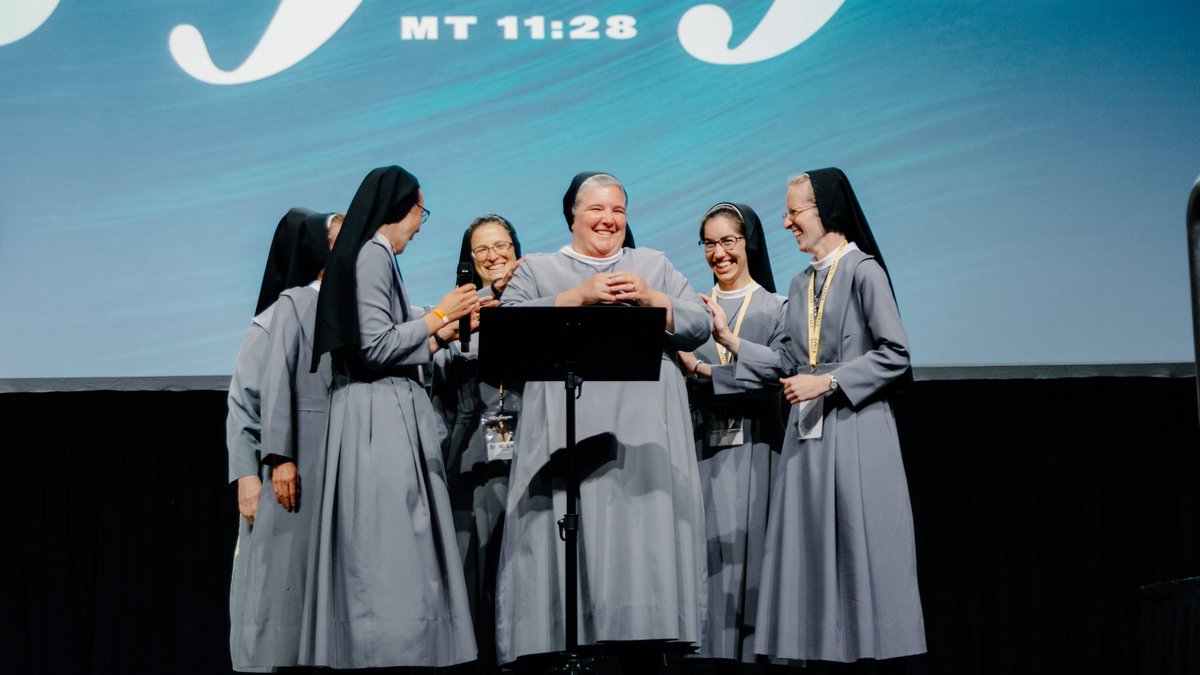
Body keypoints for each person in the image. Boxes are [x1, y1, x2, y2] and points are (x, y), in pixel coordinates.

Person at [493, 172, 710, 668]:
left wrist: (653, 299)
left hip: (642, 436)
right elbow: (506, 329)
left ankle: (645, 633)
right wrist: (580, 296)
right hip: (567, 433)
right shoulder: (539, 269)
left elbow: (698, 325)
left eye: (618, 210)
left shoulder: (652, 264)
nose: (608, 220)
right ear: (572, 214)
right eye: (596, 209)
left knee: (640, 535)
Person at [713, 169, 925, 664]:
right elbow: (787, 361)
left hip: (855, 426)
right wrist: (730, 340)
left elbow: (896, 353)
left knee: (856, 544)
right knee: (808, 549)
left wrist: (827, 382)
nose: (786, 223)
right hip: (808, 435)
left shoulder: (863, 271)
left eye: (795, 212)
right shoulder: (800, 281)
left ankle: (865, 652)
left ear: (825, 210)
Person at [303, 165, 480, 669]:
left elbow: (384, 343)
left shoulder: (371, 255)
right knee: (388, 543)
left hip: (372, 409)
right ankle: (390, 650)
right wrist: (439, 316)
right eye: (422, 212)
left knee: (385, 544)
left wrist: (438, 334)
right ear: (402, 208)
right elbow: (376, 346)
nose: (421, 225)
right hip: (376, 415)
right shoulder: (374, 254)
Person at [230, 210, 342, 670]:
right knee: (278, 583)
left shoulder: (350, 314)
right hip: (284, 473)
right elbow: (244, 405)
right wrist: (246, 477)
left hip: (332, 464)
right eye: (339, 241)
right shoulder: (273, 321)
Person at [677, 202, 786, 668]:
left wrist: (704, 371)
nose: (718, 253)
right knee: (707, 558)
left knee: (758, 556)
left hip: (760, 451)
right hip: (703, 453)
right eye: (709, 243)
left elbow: (777, 375)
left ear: (748, 243)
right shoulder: (691, 314)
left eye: (728, 241)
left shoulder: (778, 308)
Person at [431, 214, 524, 671]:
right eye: (481, 250)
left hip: (529, 452)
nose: (493, 256)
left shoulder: (537, 305)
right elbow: (441, 399)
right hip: (472, 457)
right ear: (469, 261)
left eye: (501, 245)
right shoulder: (459, 315)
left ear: (516, 249)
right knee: (474, 568)